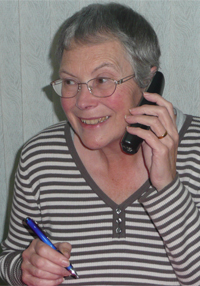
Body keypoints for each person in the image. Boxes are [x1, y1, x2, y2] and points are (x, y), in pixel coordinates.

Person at [0, 2, 200, 286]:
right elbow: (11, 257)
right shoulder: (38, 157)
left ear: (148, 80)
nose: (82, 102)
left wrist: (167, 185)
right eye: (70, 82)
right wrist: (24, 268)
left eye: (103, 80)